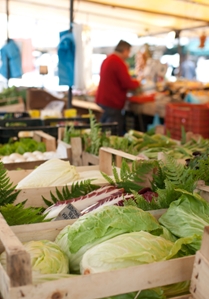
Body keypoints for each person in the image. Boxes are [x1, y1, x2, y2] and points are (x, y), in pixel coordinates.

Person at [96, 40, 140, 136]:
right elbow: (127, 83)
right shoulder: (118, 62)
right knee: (112, 134)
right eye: (129, 52)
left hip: (103, 101)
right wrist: (138, 82)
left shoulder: (107, 59)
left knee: (103, 132)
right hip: (112, 102)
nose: (128, 55)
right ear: (124, 50)